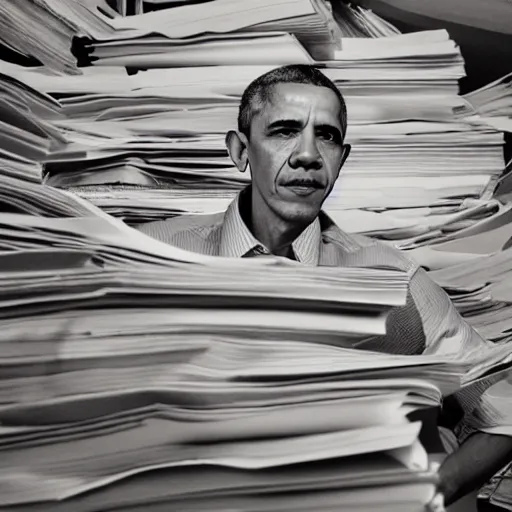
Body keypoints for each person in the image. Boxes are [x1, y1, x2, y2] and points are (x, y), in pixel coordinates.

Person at [139, 64, 512, 506]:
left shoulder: (393, 282)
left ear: (342, 158)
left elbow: (505, 409)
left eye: (327, 136)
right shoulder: (148, 255)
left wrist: (435, 489)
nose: (308, 154)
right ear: (241, 151)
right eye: (284, 131)